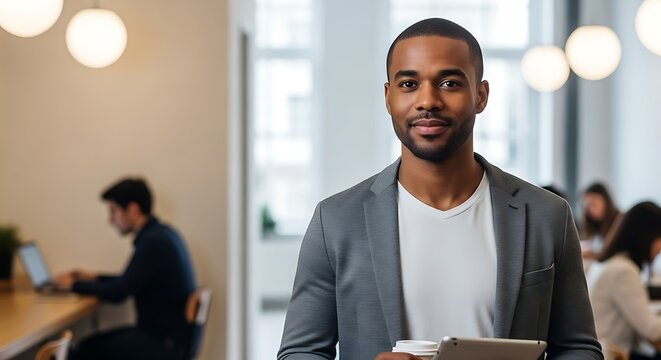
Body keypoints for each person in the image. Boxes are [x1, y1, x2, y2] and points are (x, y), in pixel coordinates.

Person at [278, 18, 602, 360]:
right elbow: (300, 352)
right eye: (408, 83)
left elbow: (578, 348)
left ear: (481, 95)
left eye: (449, 83)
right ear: (388, 98)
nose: (428, 100)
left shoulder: (547, 216)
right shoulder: (336, 221)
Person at [54, 178, 197, 360]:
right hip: (172, 340)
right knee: (90, 346)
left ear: (133, 209)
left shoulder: (152, 243)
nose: (110, 220)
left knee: (84, 351)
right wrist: (94, 278)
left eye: (113, 211)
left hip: (163, 344)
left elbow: (119, 292)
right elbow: (130, 280)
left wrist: (73, 285)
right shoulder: (162, 233)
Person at [586, 201, 661, 359]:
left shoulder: (606, 263)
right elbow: (652, 330)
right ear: (646, 236)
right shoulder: (623, 270)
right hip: (612, 354)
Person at [580, 182, 621, 259]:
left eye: (594, 204)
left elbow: (613, 253)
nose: (591, 210)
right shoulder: (594, 227)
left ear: (606, 202)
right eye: (588, 206)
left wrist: (592, 254)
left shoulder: (619, 221)